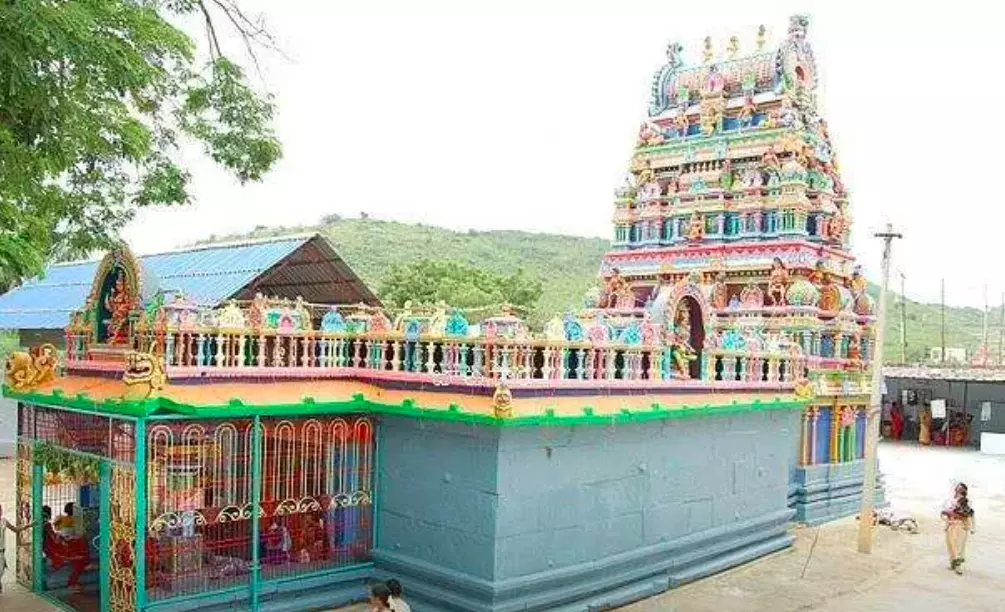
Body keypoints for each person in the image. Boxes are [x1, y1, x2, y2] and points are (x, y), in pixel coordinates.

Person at [941, 483, 976, 574]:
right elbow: (944, 512)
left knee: (959, 545)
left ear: (965, 491)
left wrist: (973, 527)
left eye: (961, 489)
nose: (959, 490)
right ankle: (953, 563)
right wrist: (947, 518)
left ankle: (958, 566)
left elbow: (971, 514)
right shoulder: (950, 500)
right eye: (958, 488)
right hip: (951, 524)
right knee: (950, 544)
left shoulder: (967, 502)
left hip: (961, 525)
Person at [0, 503, 35, 593]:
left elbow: (16, 530)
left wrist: (29, 525)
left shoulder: (4, 521)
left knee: (1, 570)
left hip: (1, 551)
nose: (1, 511)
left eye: (0, 509)